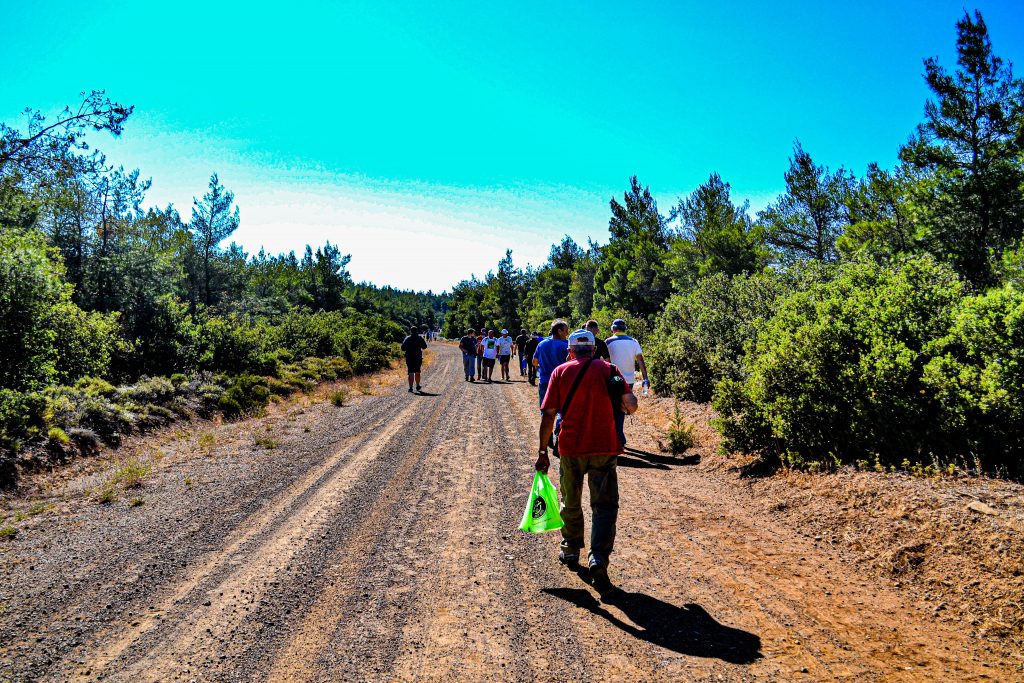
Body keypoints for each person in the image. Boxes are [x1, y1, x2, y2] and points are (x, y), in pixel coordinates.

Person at [535, 329, 638, 593]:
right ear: (593, 349)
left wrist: (543, 451)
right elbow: (631, 404)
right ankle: (598, 559)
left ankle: (571, 550)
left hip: (571, 448)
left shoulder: (560, 372)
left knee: (571, 500)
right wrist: (622, 401)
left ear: (570, 350)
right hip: (604, 448)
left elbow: (548, 414)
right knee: (604, 506)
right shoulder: (609, 370)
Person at [606, 319, 649, 446]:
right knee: (622, 407)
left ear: (613, 329)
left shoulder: (608, 342)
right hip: (628, 381)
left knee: (613, 407)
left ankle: (617, 436)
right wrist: (645, 378)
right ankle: (618, 435)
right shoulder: (634, 341)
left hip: (613, 379)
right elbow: (640, 360)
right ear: (625, 329)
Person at [533, 320, 569, 408]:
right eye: (566, 331)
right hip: (561, 382)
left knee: (545, 411)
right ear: (559, 331)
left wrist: (540, 369)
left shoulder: (541, 344)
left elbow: (534, 362)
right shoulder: (566, 345)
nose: (567, 333)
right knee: (562, 411)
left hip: (544, 381)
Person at [401, 326, 428, 393]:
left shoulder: (407, 338)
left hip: (409, 357)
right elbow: (424, 346)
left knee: (410, 372)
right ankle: (418, 385)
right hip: (418, 357)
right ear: (417, 331)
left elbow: (402, 348)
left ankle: (410, 388)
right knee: (417, 371)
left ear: (410, 331)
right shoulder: (420, 338)